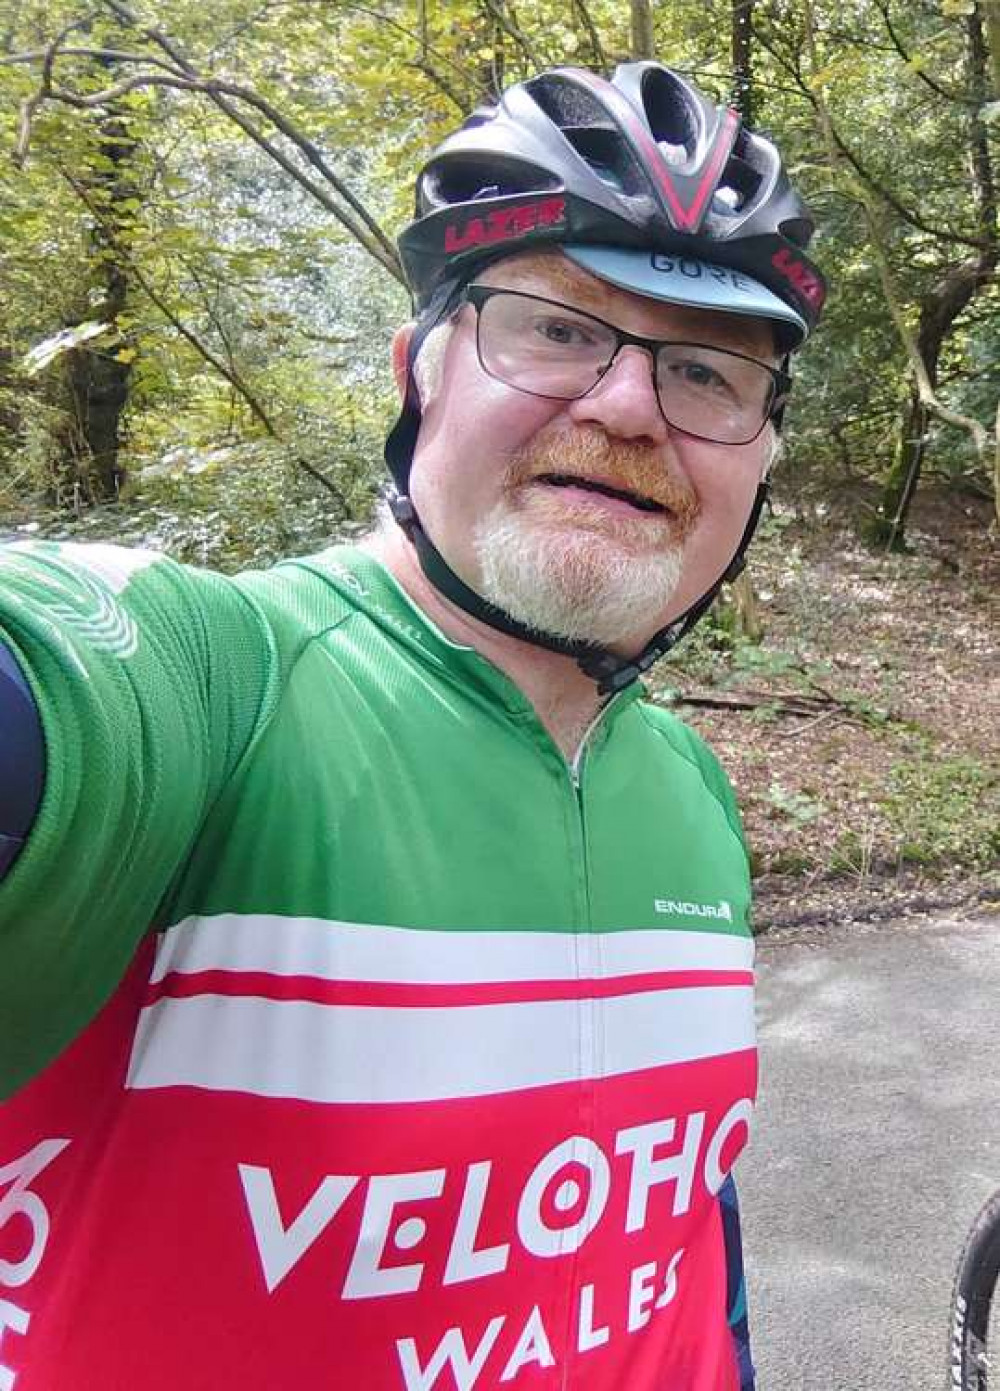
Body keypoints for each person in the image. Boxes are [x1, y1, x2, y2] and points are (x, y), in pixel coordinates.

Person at [0, 60, 824, 1391]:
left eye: (706, 371)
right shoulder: (222, 688)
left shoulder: (688, 786)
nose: (626, 405)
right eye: (556, 329)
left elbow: (684, 1236)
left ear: (759, 459)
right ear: (418, 375)